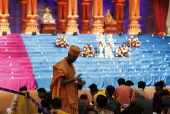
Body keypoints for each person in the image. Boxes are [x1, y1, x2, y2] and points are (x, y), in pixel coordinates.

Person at [50, 45, 85, 114]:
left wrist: (78, 82)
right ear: (69, 54)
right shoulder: (61, 66)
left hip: (71, 93)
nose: (74, 60)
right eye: (73, 58)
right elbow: (61, 81)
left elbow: (70, 79)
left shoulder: (71, 65)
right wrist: (74, 79)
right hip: (63, 94)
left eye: (76, 58)